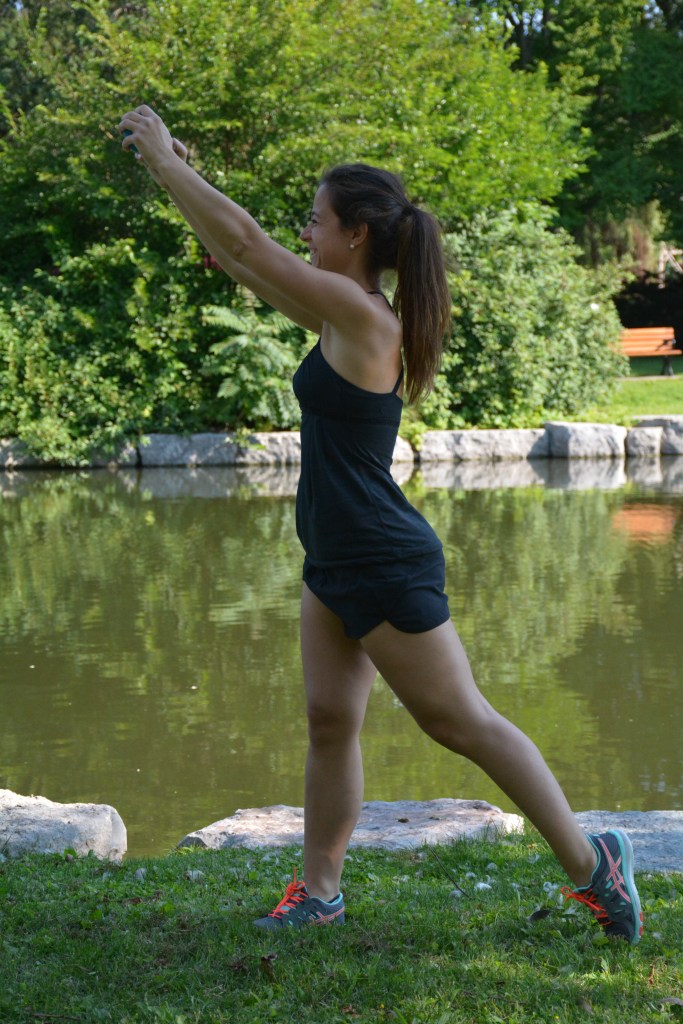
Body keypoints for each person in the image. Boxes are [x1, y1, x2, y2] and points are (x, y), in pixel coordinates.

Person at [117, 105, 643, 944]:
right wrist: (183, 179)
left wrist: (160, 162)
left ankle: (594, 866)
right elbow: (241, 261)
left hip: (381, 558)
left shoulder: (363, 316)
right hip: (333, 555)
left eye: (315, 220)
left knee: (459, 722)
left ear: (355, 233)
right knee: (329, 720)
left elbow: (248, 245)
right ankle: (319, 892)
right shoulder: (340, 313)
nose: (305, 231)